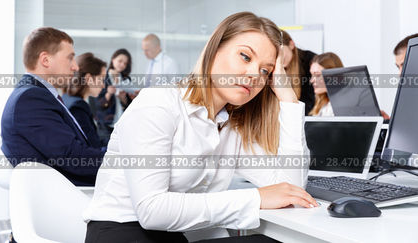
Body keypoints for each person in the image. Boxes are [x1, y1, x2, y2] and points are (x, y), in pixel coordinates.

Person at [83, 12, 317, 243]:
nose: (255, 75)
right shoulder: (159, 102)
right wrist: (255, 198)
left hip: (174, 237)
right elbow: (152, 211)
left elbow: (292, 191)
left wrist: (288, 100)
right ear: (214, 50)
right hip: (120, 233)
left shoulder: (230, 126)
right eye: (245, 57)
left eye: (265, 71)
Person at [1, 27, 104, 186]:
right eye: (70, 58)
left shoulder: (35, 95)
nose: (75, 67)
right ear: (45, 60)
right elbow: (74, 158)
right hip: (70, 194)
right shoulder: (31, 99)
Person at [62, 52, 109, 149]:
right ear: (88, 78)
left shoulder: (67, 98)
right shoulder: (78, 107)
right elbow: (94, 147)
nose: (103, 85)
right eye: (101, 79)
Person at [92, 49, 134, 140]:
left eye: (125, 63)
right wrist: (108, 94)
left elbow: (129, 105)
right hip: (106, 126)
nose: (122, 65)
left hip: (122, 124)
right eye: (120, 61)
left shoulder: (126, 80)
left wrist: (123, 99)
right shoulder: (102, 78)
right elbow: (98, 105)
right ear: (113, 59)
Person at [280, 30, 316, 115]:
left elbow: (311, 100)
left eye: (281, 53)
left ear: (291, 44)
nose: (280, 59)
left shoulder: (310, 61)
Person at [308, 52, 344, 116]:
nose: (311, 80)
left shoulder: (344, 105)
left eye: (318, 75)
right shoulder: (322, 103)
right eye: (312, 75)